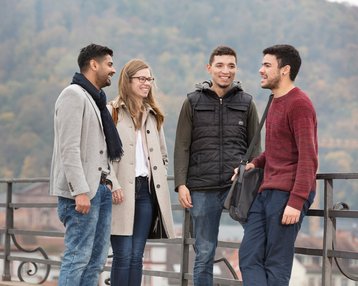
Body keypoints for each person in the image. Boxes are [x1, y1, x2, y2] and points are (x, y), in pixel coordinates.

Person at [174, 45, 261, 286]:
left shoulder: (247, 102)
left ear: (236, 69)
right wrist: (181, 184)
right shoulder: (192, 102)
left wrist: (251, 172)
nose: (226, 71)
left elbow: (256, 148)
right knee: (204, 252)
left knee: (255, 241)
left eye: (231, 66)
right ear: (209, 68)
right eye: (220, 65)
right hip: (202, 187)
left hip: (238, 186)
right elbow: (182, 145)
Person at [239, 44, 318, 286]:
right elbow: (276, 149)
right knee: (248, 256)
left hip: (287, 195)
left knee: (276, 263)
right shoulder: (275, 101)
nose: (260, 70)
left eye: (267, 65)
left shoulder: (300, 104)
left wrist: (296, 201)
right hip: (266, 191)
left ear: (285, 70)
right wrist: (254, 163)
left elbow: (309, 157)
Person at [49, 43, 123, 286]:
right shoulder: (73, 95)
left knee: (96, 260)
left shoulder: (96, 99)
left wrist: (110, 181)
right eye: (109, 64)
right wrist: (79, 190)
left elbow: (98, 150)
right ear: (94, 64)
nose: (113, 70)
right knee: (77, 257)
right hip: (82, 193)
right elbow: (68, 148)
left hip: (100, 190)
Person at [108, 59, 175, 286]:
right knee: (123, 255)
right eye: (142, 79)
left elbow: (163, 155)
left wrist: (158, 173)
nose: (147, 83)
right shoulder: (112, 111)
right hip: (120, 193)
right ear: (128, 80)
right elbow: (102, 154)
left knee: (137, 257)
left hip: (146, 193)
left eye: (149, 79)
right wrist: (112, 183)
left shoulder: (153, 115)